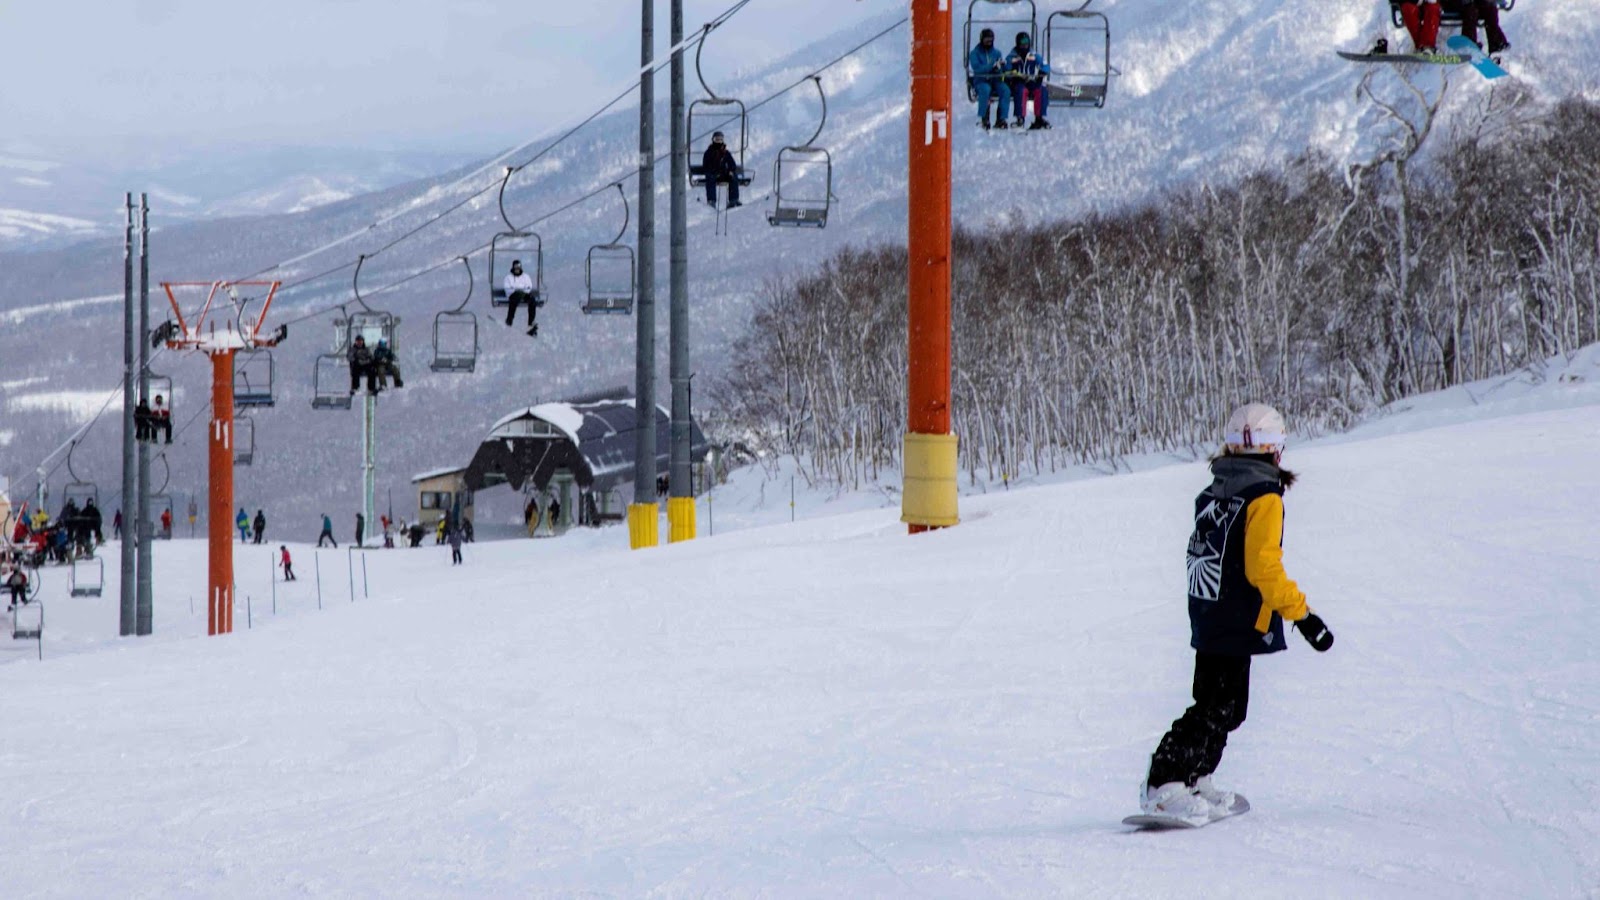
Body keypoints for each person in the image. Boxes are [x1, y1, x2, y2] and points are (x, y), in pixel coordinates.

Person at [1140, 403, 1335, 824]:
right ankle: (1165, 781)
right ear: (1277, 450)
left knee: (1225, 706)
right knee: (1216, 707)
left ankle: (1195, 776)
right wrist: (1303, 615)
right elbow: (1263, 567)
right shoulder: (1263, 497)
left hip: (1210, 608)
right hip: (1234, 614)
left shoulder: (1217, 488)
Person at [967, 27, 1012, 130]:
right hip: (981, 80)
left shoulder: (997, 53)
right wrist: (991, 66)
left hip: (995, 80)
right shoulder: (975, 53)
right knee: (985, 90)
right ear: (981, 40)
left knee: (1005, 90)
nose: (988, 43)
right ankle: (984, 118)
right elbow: (977, 68)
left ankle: (1001, 119)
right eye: (986, 40)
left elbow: (1002, 68)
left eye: (990, 40)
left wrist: (1003, 66)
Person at [1005, 31, 1051, 130]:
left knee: (1041, 90)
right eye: (1022, 42)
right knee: (1021, 91)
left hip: (1030, 80)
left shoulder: (1033, 55)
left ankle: (1039, 118)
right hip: (1018, 81)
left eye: (1026, 42)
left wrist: (1041, 74)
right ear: (1018, 43)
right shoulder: (1012, 56)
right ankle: (1020, 119)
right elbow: (1006, 70)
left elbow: (1045, 65)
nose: (1024, 45)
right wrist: (1013, 75)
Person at [700, 132, 743, 210]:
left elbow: (732, 164)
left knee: (733, 176)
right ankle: (711, 200)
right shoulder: (709, 153)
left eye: (720, 140)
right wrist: (714, 171)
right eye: (717, 140)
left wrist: (730, 171)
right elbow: (706, 166)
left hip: (723, 174)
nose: (719, 142)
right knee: (710, 178)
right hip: (713, 174)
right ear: (713, 140)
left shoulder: (725, 152)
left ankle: (734, 199)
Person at [503, 259, 540, 336]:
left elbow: (529, 286)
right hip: (513, 294)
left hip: (524, 294)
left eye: (518, 267)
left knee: (532, 300)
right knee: (514, 300)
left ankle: (531, 322)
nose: (517, 269)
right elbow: (507, 288)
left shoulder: (525, 277)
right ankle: (509, 320)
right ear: (513, 267)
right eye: (516, 267)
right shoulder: (508, 278)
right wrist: (515, 290)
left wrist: (523, 291)